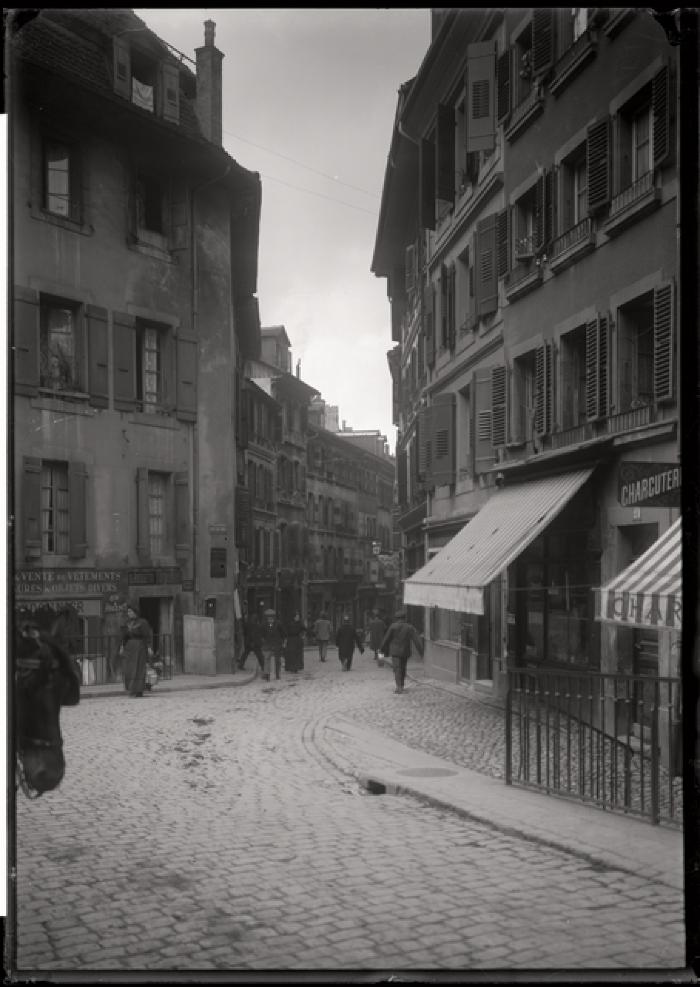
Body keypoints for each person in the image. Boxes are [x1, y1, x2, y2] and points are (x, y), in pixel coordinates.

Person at [380, 608, 424, 694]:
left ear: (397, 618)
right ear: (405, 618)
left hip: (395, 652)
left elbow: (386, 639)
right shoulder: (409, 627)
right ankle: (402, 686)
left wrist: (381, 649)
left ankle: (399, 687)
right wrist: (422, 653)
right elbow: (417, 640)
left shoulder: (393, 626)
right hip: (405, 651)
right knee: (403, 668)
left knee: (397, 669)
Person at [120, 603, 153, 698]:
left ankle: (138, 690)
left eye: (131, 611)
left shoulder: (143, 622)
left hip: (140, 647)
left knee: (138, 669)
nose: (129, 613)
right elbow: (124, 636)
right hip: (129, 648)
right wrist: (122, 646)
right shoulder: (127, 623)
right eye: (128, 612)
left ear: (135, 612)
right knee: (129, 669)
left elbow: (147, 636)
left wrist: (149, 647)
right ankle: (131, 689)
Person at [238, 602, 265, 672]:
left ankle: (240, 665)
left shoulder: (249, 624)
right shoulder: (255, 625)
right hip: (253, 642)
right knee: (259, 655)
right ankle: (263, 667)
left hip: (250, 642)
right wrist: (253, 641)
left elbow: (246, 632)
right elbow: (253, 633)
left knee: (246, 654)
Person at [261, 609, 286, 681]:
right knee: (267, 659)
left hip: (276, 644)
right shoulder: (264, 625)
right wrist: (263, 640)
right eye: (269, 618)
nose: (270, 619)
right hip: (268, 645)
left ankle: (277, 674)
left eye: (271, 618)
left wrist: (283, 641)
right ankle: (267, 675)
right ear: (266, 618)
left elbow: (283, 633)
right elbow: (261, 634)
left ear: (274, 617)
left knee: (277, 660)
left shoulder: (278, 624)